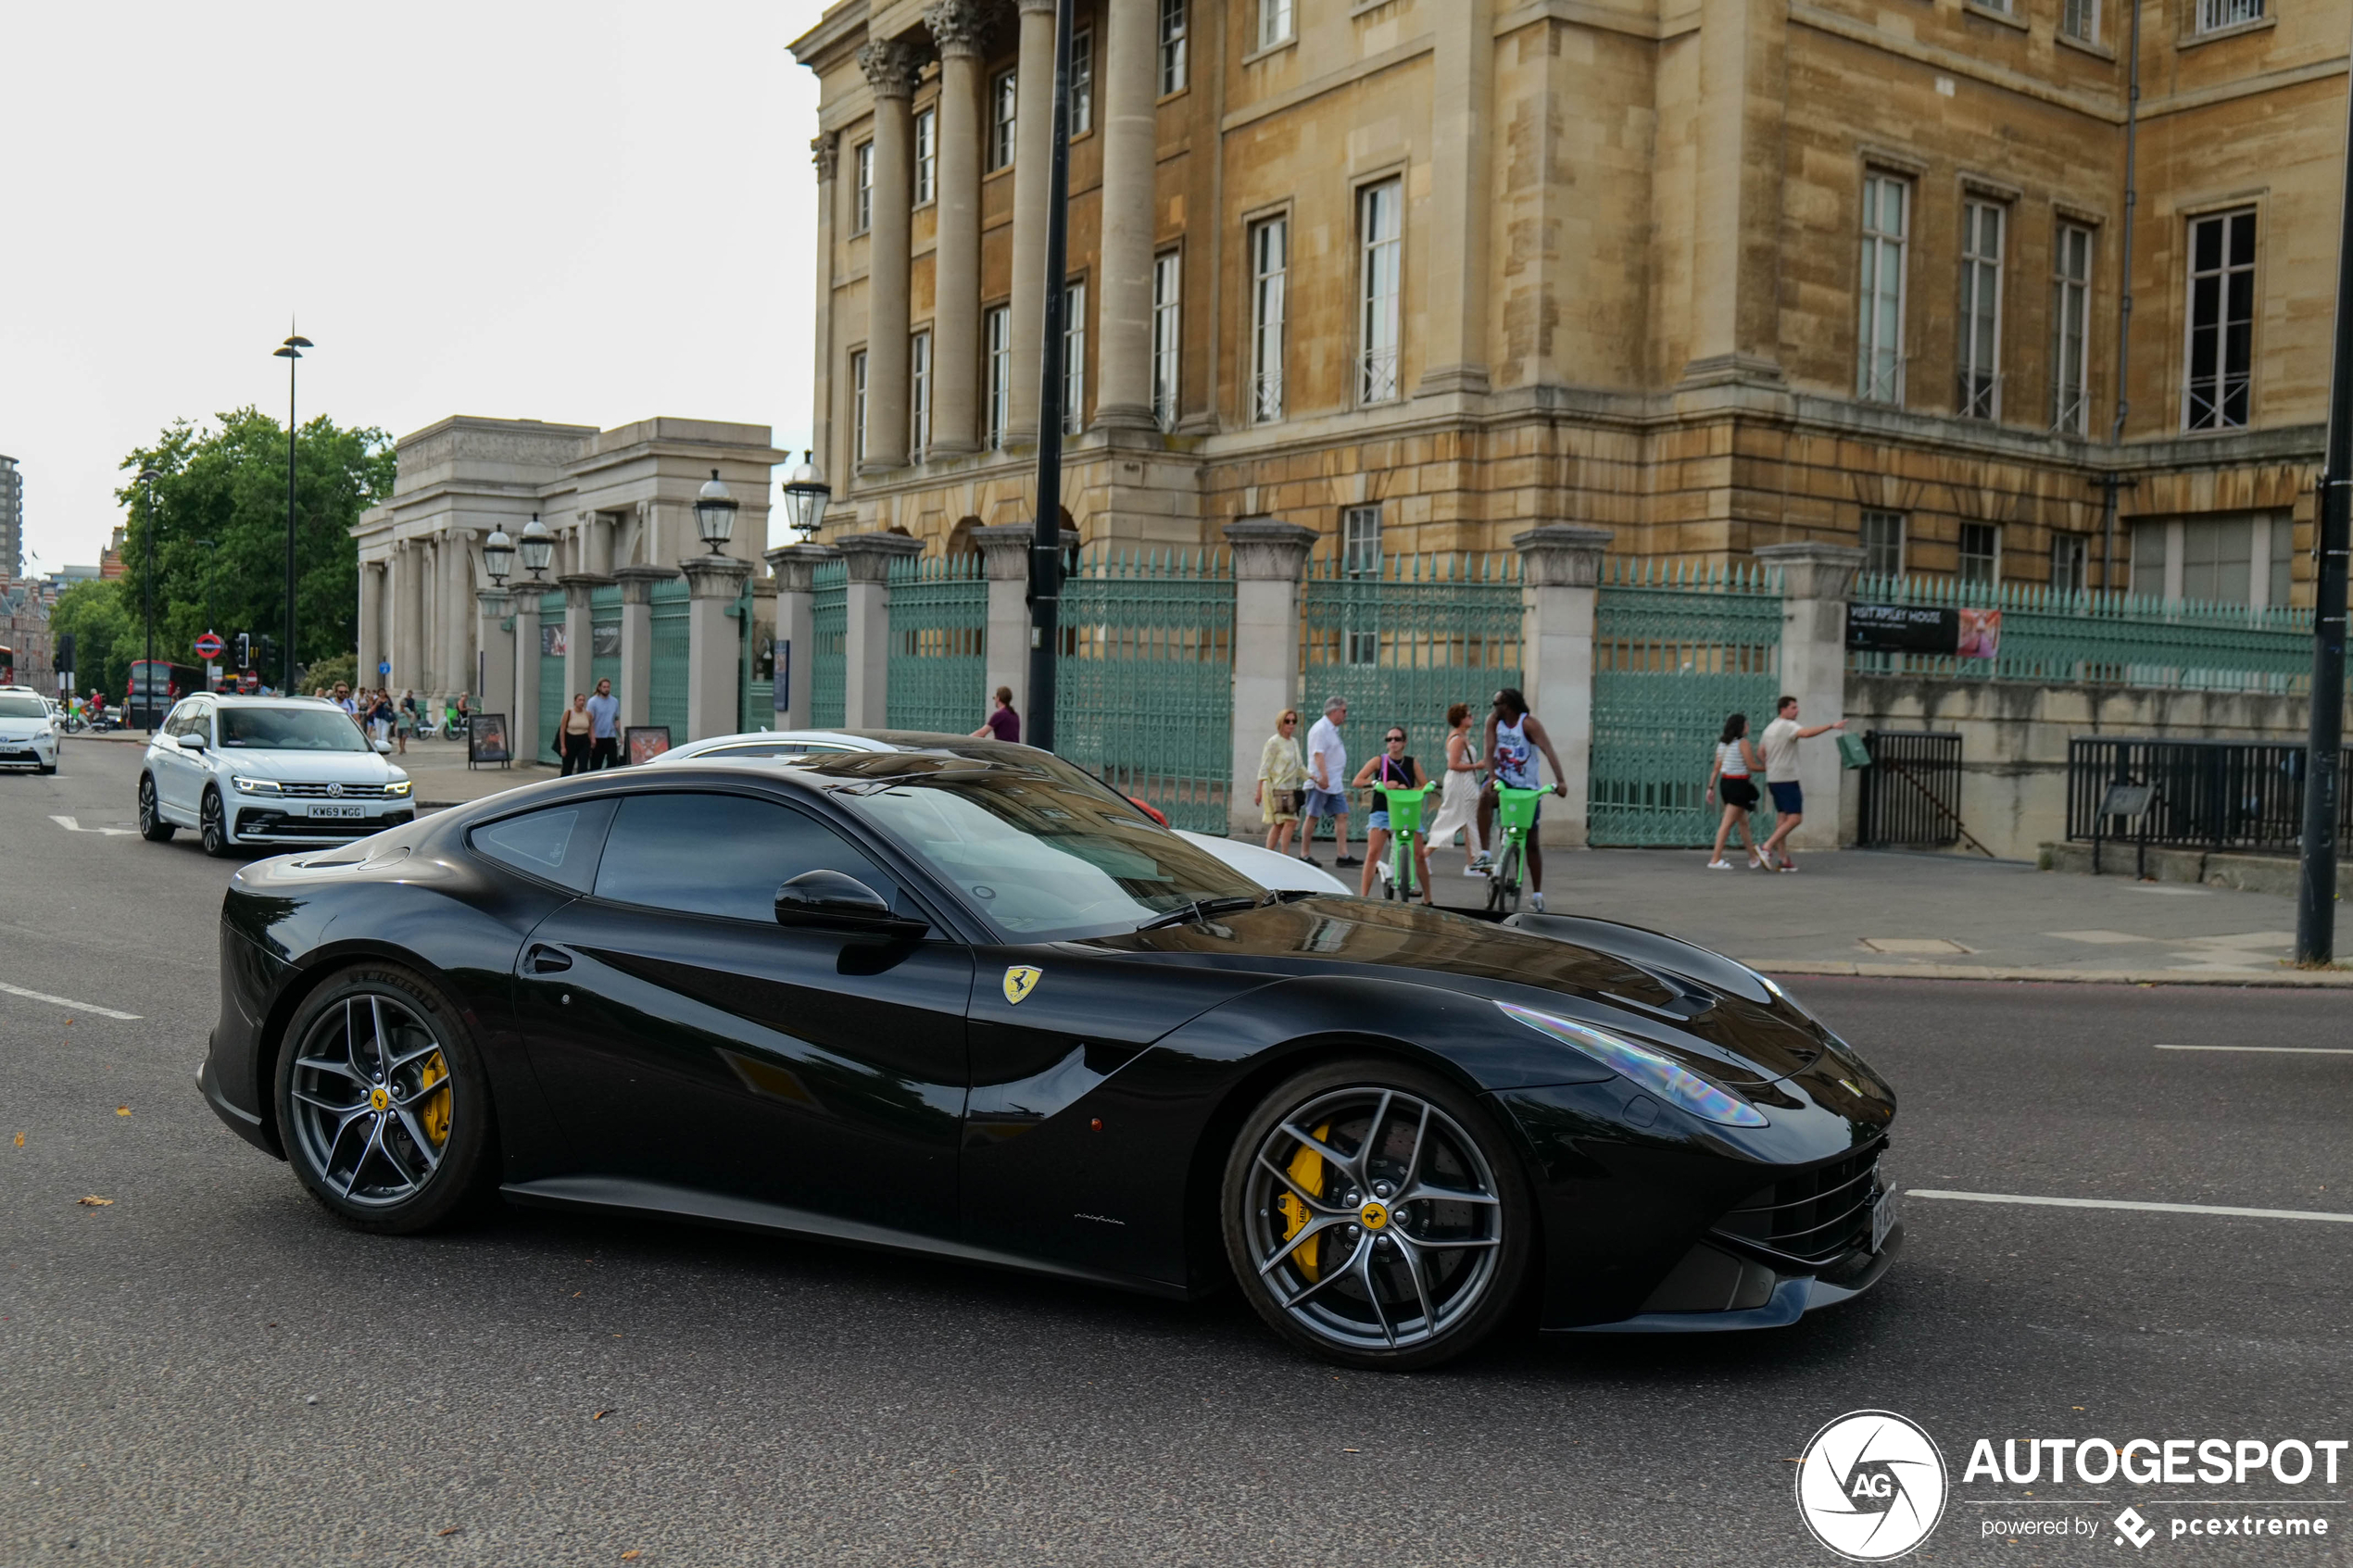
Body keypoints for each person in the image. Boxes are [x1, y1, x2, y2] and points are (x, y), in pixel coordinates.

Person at [1474, 687, 1570, 912]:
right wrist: (1493, 777)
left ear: (1509, 705)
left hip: (1526, 787)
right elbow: (1489, 750)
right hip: (1503, 781)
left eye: (1497, 704)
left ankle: (1537, 895)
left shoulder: (1528, 724)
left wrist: (1561, 781)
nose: (1494, 708)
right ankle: (1485, 854)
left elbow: (1548, 750)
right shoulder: (1493, 721)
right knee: (1485, 796)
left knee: (1532, 842)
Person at [1755, 695, 1846, 872]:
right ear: (1784, 709)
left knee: (1782, 818)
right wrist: (1831, 726)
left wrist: (1772, 765)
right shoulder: (1789, 726)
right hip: (1787, 778)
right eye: (1794, 708)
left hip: (1774, 779)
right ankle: (1766, 847)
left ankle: (1783, 859)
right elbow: (1805, 734)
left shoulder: (1769, 728)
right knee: (1796, 817)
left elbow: (1760, 753)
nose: (1797, 711)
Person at [1352, 725, 1435, 903]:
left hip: (1406, 811)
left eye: (1397, 739)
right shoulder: (1379, 761)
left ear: (1404, 742)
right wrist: (1378, 783)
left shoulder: (1412, 763)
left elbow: (1424, 784)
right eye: (1389, 739)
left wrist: (1410, 789)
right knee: (1373, 853)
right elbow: (1357, 781)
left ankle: (1428, 898)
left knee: (1419, 855)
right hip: (1382, 811)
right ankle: (1362, 898)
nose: (1393, 743)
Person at [1425, 701, 1486, 877]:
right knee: (1457, 820)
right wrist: (1477, 765)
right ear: (1461, 719)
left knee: (1467, 823)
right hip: (1461, 784)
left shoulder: (1459, 737)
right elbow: (1453, 764)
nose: (1472, 718)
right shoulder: (1458, 739)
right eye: (1468, 715)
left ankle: (1473, 863)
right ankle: (1425, 855)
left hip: (1463, 783)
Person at [1705, 712, 1768, 871]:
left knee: (1743, 822)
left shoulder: (1722, 744)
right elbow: (1751, 766)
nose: (1748, 727)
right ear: (1740, 727)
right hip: (1738, 784)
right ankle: (1715, 859)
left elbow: (1716, 769)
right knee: (1727, 823)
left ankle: (1753, 858)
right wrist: (1768, 768)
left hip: (1726, 783)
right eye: (1746, 724)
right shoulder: (1743, 743)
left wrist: (1710, 788)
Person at [1302, 696, 1357, 868]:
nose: (1346, 714)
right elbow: (1318, 754)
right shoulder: (1321, 729)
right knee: (1313, 816)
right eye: (1344, 711)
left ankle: (1343, 854)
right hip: (1322, 781)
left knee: (1342, 814)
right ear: (1334, 711)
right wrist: (1323, 776)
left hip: (1334, 782)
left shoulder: (1332, 729)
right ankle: (1304, 854)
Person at [1254, 709, 1307, 856]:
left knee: (1279, 824)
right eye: (1287, 721)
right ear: (1280, 723)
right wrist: (1258, 792)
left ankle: (1269, 854)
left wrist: (1313, 778)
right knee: (1290, 821)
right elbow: (1264, 768)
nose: (1291, 724)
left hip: (1290, 788)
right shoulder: (1273, 742)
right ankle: (1284, 855)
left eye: (1294, 721)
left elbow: (1299, 766)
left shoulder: (1294, 742)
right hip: (1276, 788)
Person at [585, 678, 621, 770]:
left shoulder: (614, 701)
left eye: (608, 687)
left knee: (613, 760)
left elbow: (616, 719)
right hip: (598, 736)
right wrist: (592, 737)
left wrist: (620, 735)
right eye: (604, 687)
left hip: (610, 735)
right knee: (596, 763)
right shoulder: (593, 702)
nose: (606, 689)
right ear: (599, 688)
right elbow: (590, 721)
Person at [557, 693, 595, 776]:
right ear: (575, 701)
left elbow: (590, 727)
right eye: (579, 700)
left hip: (583, 739)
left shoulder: (588, 714)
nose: (582, 702)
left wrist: (592, 739)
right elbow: (562, 730)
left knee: (583, 765)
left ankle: (581, 783)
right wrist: (563, 746)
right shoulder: (569, 713)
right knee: (568, 765)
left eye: (583, 700)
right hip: (571, 739)